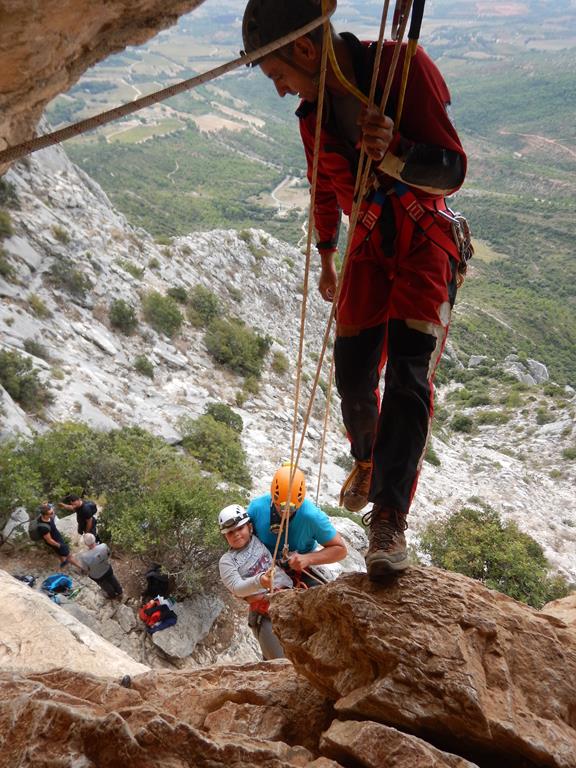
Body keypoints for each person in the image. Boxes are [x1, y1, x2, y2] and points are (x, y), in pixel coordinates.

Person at [242, 0, 468, 578]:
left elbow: (451, 169)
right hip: (368, 246)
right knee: (353, 378)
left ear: (305, 50)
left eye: (278, 75)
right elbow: (323, 187)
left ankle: (389, 518)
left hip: (421, 238)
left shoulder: (401, 68)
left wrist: (395, 152)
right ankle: (368, 460)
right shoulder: (312, 118)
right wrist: (325, 256)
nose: (279, 89)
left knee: (409, 380)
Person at [247, 464, 347, 585]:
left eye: (292, 509)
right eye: (280, 507)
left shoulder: (311, 516)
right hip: (264, 564)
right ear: (273, 497)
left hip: (300, 565)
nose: (286, 513)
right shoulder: (257, 508)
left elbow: (340, 550)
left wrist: (308, 558)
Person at [218, 503, 293, 660]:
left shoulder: (257, 538)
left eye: (240, 528)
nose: (236, 534)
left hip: (291, 596)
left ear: (250, 527)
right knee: (280, 662)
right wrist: (260, 581)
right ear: (225, 536)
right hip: (265, 613)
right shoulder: (227, 561)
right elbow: (237, 588)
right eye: (230, 532)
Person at [36, 502, 83, 571]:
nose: (53, 513)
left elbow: (45, 506)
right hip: (55, 542)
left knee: (59, 552)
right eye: (51, 513)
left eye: (52, 511)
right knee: (69, 555)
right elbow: (49, 540)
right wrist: (59, 545)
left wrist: (45, 504)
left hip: (57, 537)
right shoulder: (44, 528)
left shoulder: (45, 516)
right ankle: (82, 568)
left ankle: (63, 562)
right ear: (45, 515)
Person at [78, 533, 123, 598]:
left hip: (97, 576)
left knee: (105, 585)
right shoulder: (104, 546)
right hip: (107, 569)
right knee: (113, 579)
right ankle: (120, 591)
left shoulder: (84, 557)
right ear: (94, 539)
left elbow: (86, 569)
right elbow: (108, 554)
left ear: (86, 544)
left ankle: (112, 595)